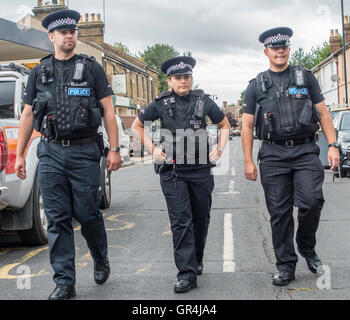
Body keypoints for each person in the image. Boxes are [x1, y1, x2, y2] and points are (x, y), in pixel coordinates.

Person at [15, 9, 122, 300]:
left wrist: (114, 149)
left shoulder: (91, 69)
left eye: (73, 32)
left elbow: (109, 112)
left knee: (88, 214)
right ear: (52, 36)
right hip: (49, 153)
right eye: (64, 33)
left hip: (85, 151)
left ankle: (100, 257)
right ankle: (65, 282)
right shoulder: (39, 72)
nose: (70, 36)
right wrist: (21, 155)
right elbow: (27, 115)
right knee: (58, 218)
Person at [241, 27, 340, 286]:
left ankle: (306, 246)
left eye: (284, 47)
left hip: (305, 150)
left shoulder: (306, 78)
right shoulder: (255, 86)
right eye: (275, 48)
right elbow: (248, 126)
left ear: (288, 49)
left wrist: (332, 145)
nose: (280, 51)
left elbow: (324, 113)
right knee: (279, 212)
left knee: (312, 201)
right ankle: (285, 266)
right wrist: (248, 160)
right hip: (273, 155)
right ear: (266, 52)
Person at [132, 56, 230, 293]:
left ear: (191, 78)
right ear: (170, 81)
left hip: (200, 171)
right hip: (173, 171)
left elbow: (224, 125)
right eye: (178, 78)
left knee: (200, 219)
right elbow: (137, 126)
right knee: (181, 222)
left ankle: (196, 259)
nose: (183, 81)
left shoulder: (203, 101)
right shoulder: (161, 103)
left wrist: (219, 149)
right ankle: (186, 274)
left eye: (186, 77)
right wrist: (153, 149)